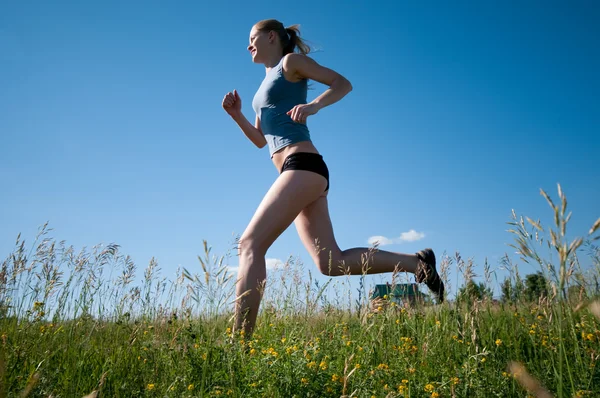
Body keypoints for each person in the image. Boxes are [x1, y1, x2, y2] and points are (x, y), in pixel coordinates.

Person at [221, 19, 444, 337]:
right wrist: (237, 115)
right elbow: (260, 140)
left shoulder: (290, 62)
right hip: (296, 173)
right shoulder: (263, 84)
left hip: (303, 165)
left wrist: (313, 106)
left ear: (272, 37)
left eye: (252, 38)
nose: (248, 45)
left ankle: (238, 344)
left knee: (250, 245)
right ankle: (417, 263)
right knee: (330, 263)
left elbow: (341, 83)